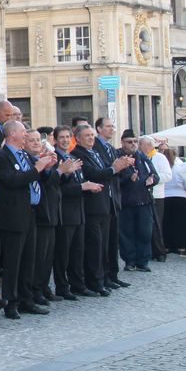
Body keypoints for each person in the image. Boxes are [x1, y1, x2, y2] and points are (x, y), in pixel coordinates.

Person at [0, 120, 56, 319]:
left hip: (31, 212)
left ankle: (26, 299)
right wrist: (37, 168)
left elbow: (34, 179)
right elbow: (12, 181)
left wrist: (45, 168)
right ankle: (10, 302)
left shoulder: (24, 155)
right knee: (13, 261)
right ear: (12, 134)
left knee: (29, 259)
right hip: (13, 215)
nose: (26, 136)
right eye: (23, 132)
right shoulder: (2, 156)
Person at [71, 124, 132, 295]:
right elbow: (95, 173)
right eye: (87, 135)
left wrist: (117, 167)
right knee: (94, 246)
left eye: (92, 135)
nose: (91, 138)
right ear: (78, 138)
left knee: (106, 245)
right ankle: (94, 281)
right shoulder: (78, 154)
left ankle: (106, 277)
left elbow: (107, 170)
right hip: (92, 206)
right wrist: (114, 168)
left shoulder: (95, 152)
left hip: (106, 204)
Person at [52, 125, 95, 300]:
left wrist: (87, 186)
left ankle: (78, 283)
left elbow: (80, 180)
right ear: (55, 140)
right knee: (63, 252)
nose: (64, 140)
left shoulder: (72, 157)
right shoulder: (55, 160)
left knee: (77, 250)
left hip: (78, 210)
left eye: (67, 137)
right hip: (64, 211)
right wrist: (81, 187)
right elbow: (58, 188)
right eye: (61, 137)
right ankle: (62, 286)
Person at [27, 129, 64, 305]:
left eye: (38, 140)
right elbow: (43, 182)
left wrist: (53, 169)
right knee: (39, 256)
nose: (36, 143)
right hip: (38, 212)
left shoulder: (40, 160)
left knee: (47, 255)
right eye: (32, 140)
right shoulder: (29, 161)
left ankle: (43, 288)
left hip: (49, 210)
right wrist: (60, 171)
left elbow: (51, 181)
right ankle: (36, 291)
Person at [116, 129, 156, 272]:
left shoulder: (142, 156)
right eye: (129, 142)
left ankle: (143, 261)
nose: (133, 144)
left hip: (144, 201)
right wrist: (128, 178)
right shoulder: (118, 156)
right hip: (126, 202)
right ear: (122, 143)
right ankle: (129, 261)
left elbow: (155, 175)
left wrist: (152, 180)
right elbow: (114, 179)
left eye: (134, 141)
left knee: (145, 232)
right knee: (127, 233)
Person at [140, 136, 172, 261]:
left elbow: (168, 175)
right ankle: (149, 251)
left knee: (156, 224)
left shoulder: (160, 157)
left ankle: (159, 251)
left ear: (148, 145)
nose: (139, 146)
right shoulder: (140, 157)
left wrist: (154, 179)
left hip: (157, 195)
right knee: (146, 225)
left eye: (140, 144)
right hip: (143, 195)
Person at [165, 143, 186, 254]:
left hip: (169, 195)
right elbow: (183, 178)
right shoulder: (180, 165)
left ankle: (172, 246)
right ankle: (184, 246)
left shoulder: (185, 163)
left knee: (171, 222)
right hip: (183, 194)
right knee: (182, 222)